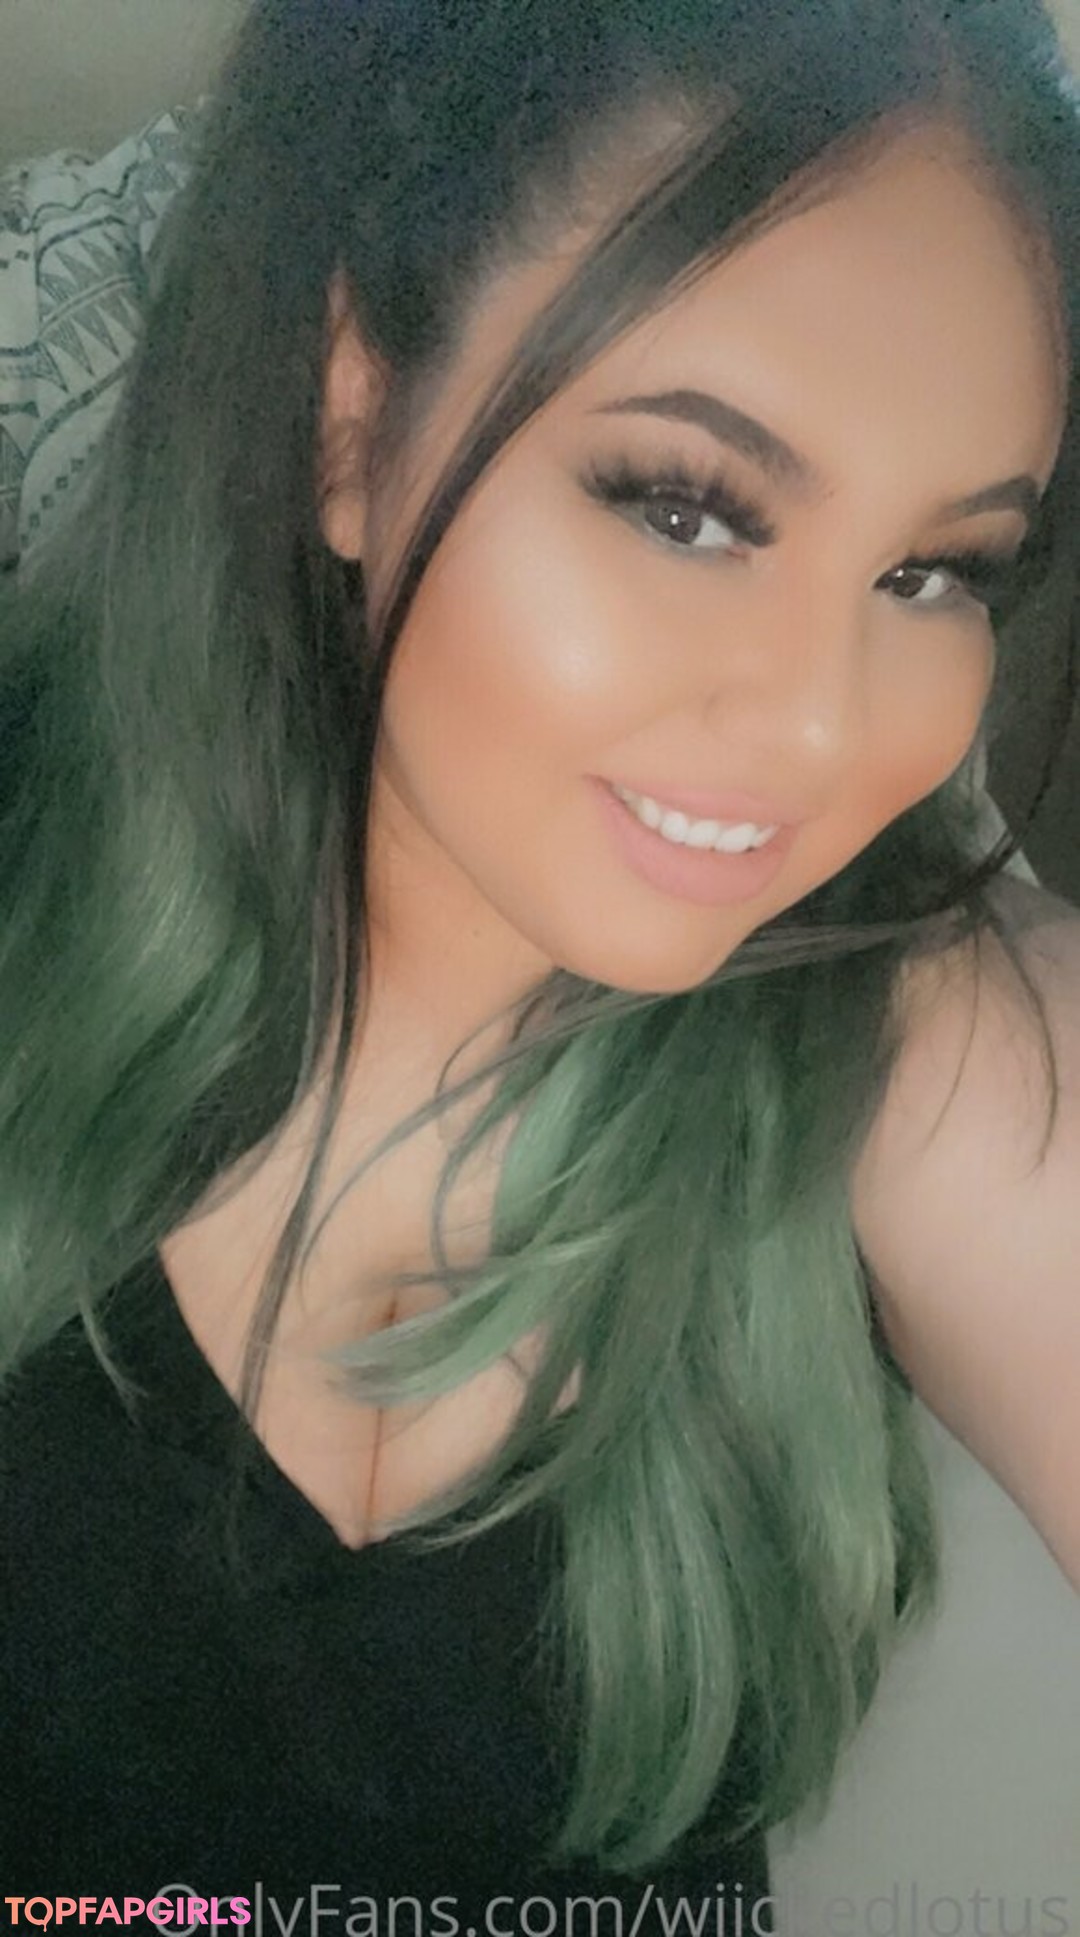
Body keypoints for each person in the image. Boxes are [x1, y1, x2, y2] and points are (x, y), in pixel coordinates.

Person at [0, 0, 1077, 1921]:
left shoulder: (911, 1033)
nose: (824, 729)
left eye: (935, 573)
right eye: (687, 505)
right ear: (353, 419)